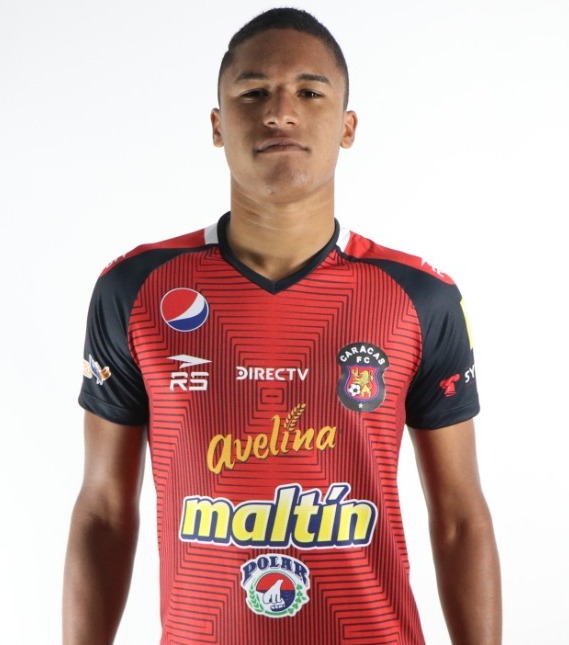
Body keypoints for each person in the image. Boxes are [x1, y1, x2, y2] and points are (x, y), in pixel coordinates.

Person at [63, 7, 501, 645]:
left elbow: (460, 517)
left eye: (309, 92)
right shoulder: (136, 290)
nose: (280, 112)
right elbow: (103, 510)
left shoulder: (419, 298)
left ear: (347, 127)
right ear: (218, 125)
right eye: (254, 92)